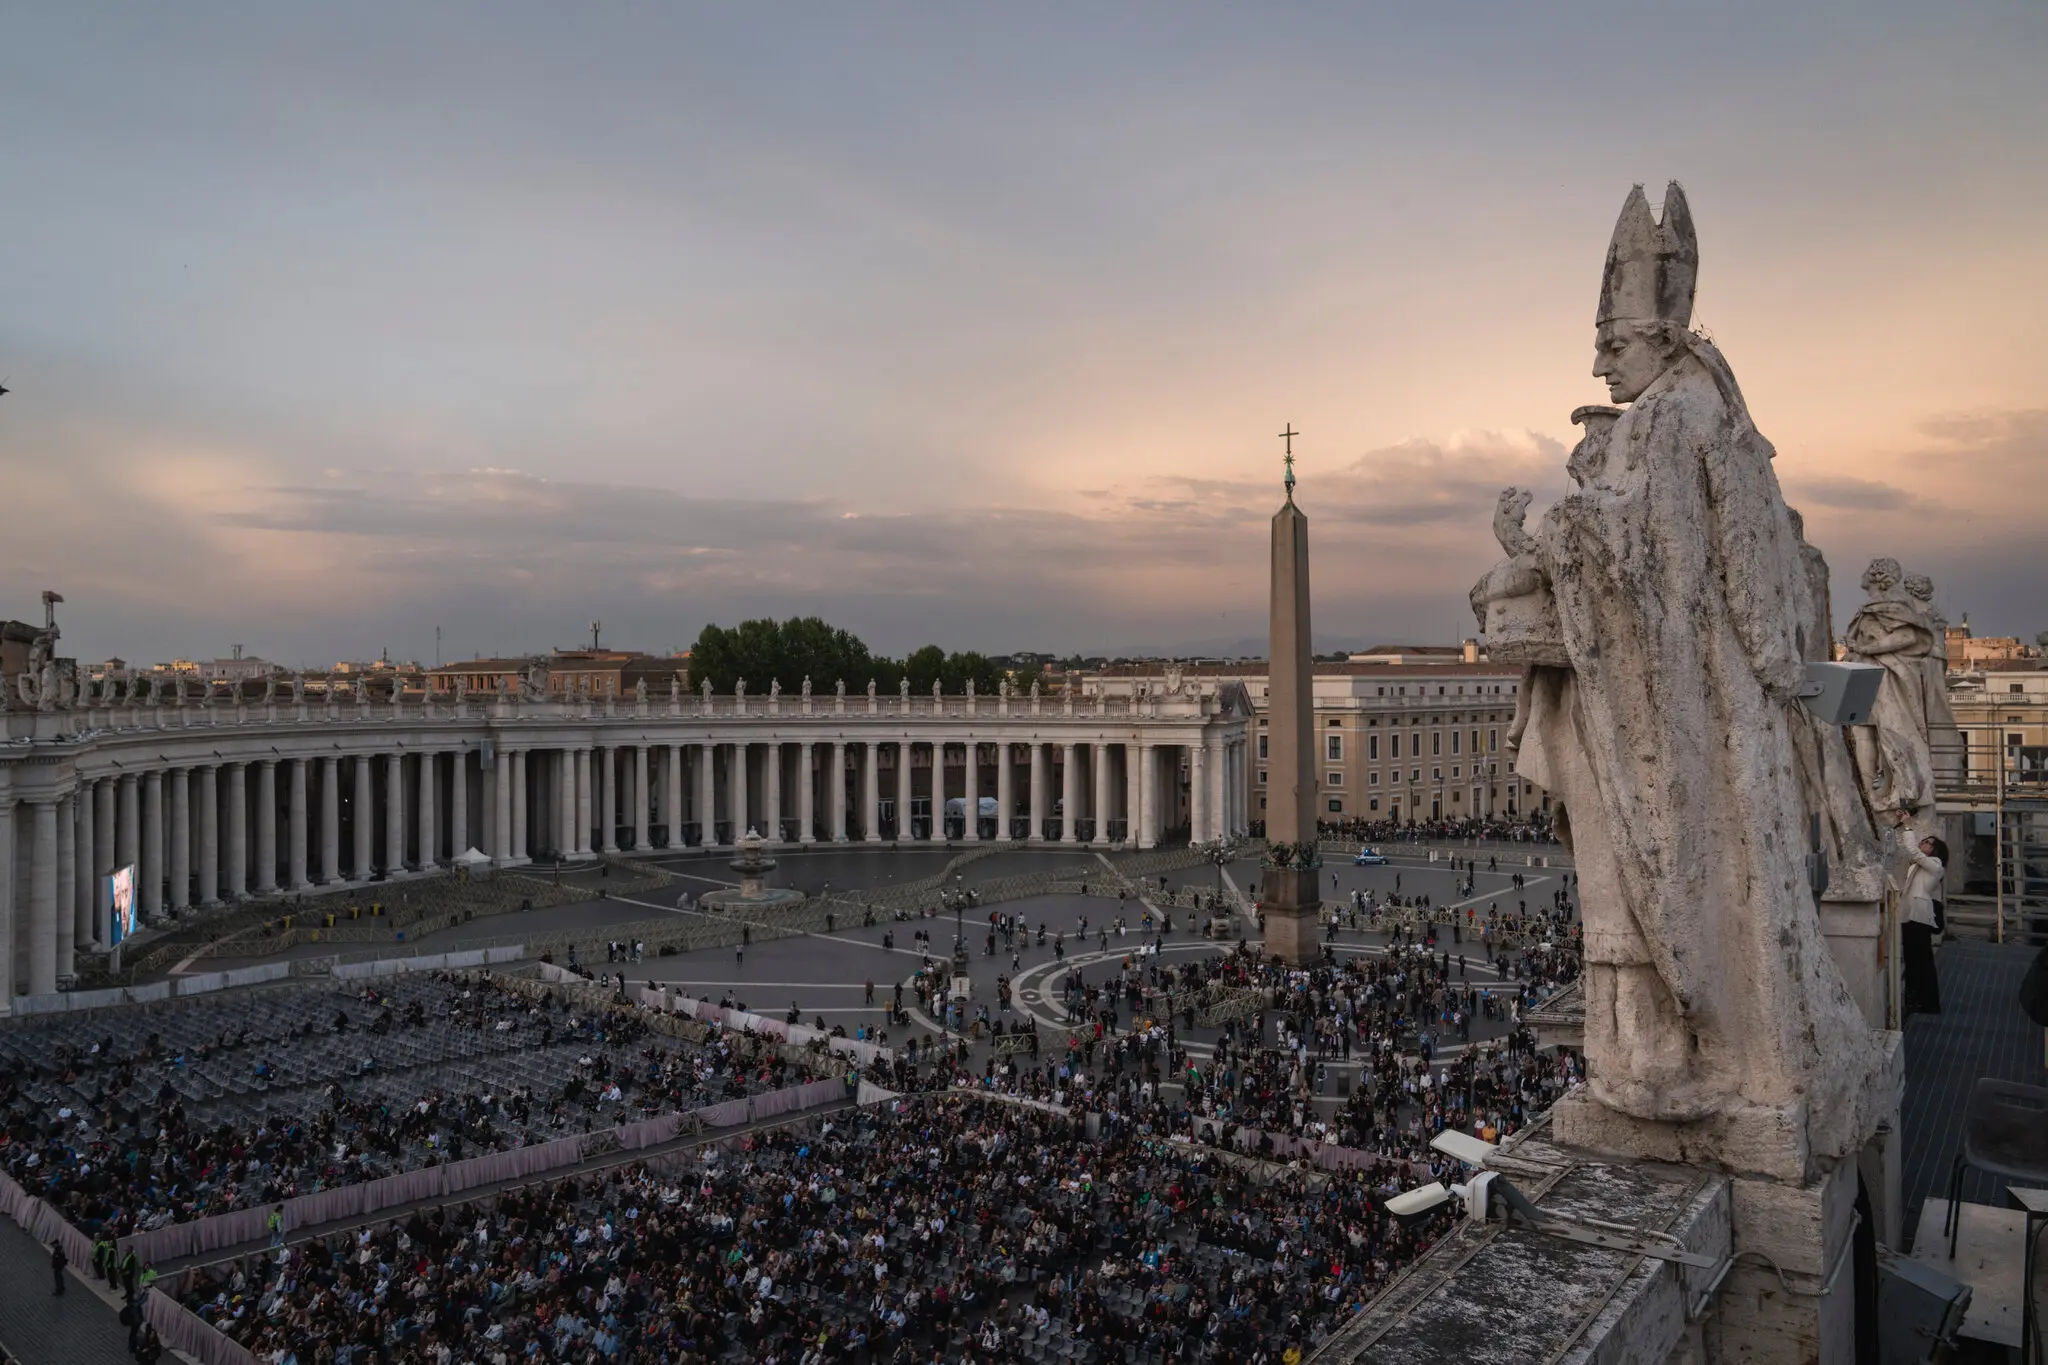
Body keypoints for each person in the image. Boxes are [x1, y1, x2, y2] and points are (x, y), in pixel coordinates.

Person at [1896, 816, 1946, 1018]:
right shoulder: (1923, 865)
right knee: (1914, 960)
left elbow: (1914, 852)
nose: (1923, 843)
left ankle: (1927, 1002)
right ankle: (1917, 999)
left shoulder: (1935, 864)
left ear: (1934, 850)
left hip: (1918, 917)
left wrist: (1908, 827)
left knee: (1921, 961)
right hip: (1912, 916)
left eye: (1928, 842)